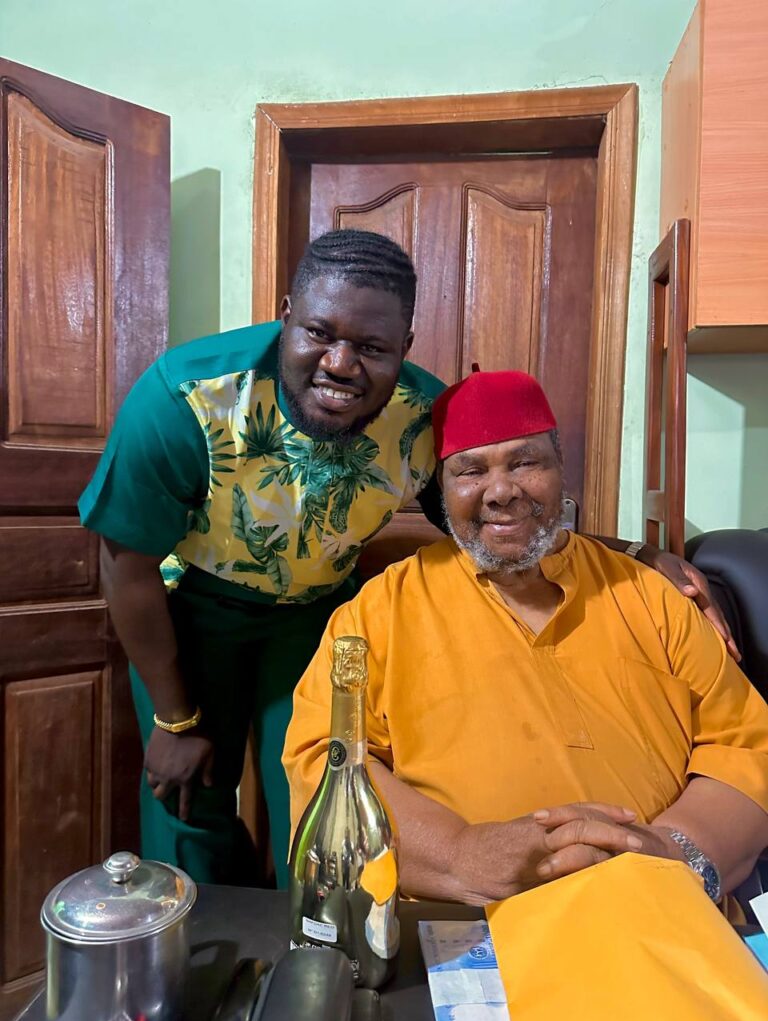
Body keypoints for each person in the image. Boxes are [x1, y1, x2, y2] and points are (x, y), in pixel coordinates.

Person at [80, 230, 733, 889]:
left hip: (315, 615)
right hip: (191, 611)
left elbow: (499, 520)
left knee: (319, 805)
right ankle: (193, 940)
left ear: (405, 347)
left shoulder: (423, 415)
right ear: (286, 316)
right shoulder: (188, 398)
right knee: (188, 792)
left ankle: (302, 941)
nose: (340, 364)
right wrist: (173, 719)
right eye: (318, 333)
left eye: (371, 347)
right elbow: (125, 565)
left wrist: (637, 554)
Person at [284, 369, 768, 907]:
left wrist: (673, 852)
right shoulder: (379, 611)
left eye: (524, 463)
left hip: (659, 912)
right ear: (443, 489)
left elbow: (746, 747)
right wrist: (458, 855)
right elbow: (321, 760)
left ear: (561, 468)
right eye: (470, 471)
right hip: (463, 928)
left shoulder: (653, 597)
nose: (501, 492)